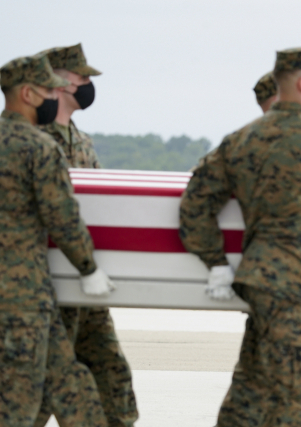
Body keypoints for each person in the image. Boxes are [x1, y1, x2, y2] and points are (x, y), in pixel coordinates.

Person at [180, 46, 301, 425]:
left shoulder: (241, 140)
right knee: (291, 403)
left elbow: (195, 205)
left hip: (262, 281)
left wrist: (216, 263)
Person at [0, 53, 114, 426]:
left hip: (26, 296)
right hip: (23, 294)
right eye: (50, 88)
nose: (56, 94)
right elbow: (62, 216)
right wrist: (89, 267)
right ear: (28, 93)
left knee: (70, 386)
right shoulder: (37, 147)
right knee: (23, 398)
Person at [33, 44, 138, 427]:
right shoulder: (26, 140)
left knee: (110, 381)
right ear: (60, 82)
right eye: (83, 77)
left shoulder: (82, 142)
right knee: (34, 389)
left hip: (85, 288)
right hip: (43, 286)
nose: (89, 84)